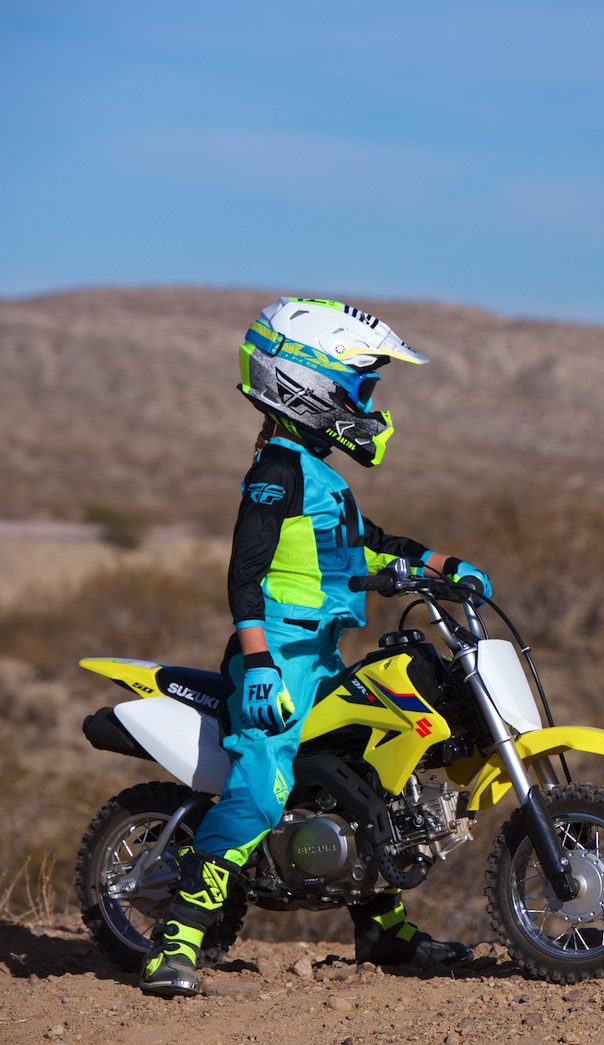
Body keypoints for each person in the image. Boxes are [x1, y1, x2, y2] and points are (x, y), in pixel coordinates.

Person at [141, 298, 490, 997]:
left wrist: (445, 565)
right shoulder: (276, 472)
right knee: (261, 796)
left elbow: (375, 543)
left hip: (320, 655)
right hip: (274, 660)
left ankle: (380, 932)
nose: (371, 401)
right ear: (310, 385)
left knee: (363, 788)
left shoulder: (320, 475)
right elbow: (244, 574)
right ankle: (174, 941)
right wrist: (260, 662)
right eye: (362, 385)